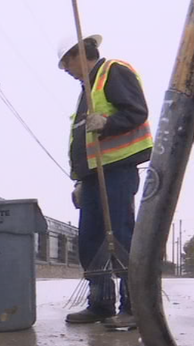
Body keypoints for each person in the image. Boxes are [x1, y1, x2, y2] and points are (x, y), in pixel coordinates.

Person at [58, 34, 153, 329]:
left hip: (116, 171)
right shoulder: (88, 88)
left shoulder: (113, 71)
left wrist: (108, 124)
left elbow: (137, 112)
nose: (66, 70)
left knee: (120, 236)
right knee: (90, 240)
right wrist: (81, 180)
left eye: (66, 63)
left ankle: (134, 307)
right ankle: (100, 303)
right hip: (94, 175)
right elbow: (84, 141)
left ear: (79, 54)